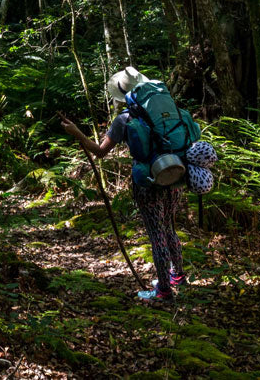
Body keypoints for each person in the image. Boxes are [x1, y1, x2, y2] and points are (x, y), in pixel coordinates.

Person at [60, 67, 192, 302]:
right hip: (175, 173)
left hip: (147, 182)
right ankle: (177, 276)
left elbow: (100, 151)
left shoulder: (124, 119)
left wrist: (76, 132)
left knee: (157, 234)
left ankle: (163, 290)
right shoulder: (167, 111)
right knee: (169, 226)